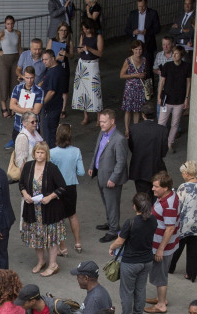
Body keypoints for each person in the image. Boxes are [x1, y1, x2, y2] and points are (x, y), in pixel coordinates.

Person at [19, 141, 67, 278]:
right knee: (36, 237)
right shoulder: (28, 166)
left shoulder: (52, 168)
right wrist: (25, 194)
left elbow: (63, 187)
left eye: (42, 153)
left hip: (49, 210)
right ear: (34, 153)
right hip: (32, 210)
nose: (39, 155)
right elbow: (21, 183)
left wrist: (50, 197)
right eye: (37, 152)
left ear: (46, 154)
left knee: (51, 238)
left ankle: (53, 265)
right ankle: (41, 261)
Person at [109, 192, 157, 314]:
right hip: (147, 260)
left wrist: (111, 247)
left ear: (135, 206)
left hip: (131, 262)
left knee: (127, 291)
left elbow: (119, 241)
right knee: (141, 289)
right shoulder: (153, 220)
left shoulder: (130, 223)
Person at [88, 109, 129, 243]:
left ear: (112, 121)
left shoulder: (119, 139)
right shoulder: (102, 133)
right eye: (100, 121)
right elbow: (97, 151)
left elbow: (121, 162)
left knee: (112, 204)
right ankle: (110, 222)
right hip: (101, 174)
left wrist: (114, 179)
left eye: (104, 122)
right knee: (107, 202)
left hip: (111, 179)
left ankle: (113, 230)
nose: (101, 124)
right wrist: (92, 166)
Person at [145, 172, 180, 314]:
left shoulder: (169, 204)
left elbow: (170, 228)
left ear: (165, 188)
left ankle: (161, 304)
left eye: (156, 186)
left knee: (160, 275)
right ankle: (161, 298)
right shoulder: (166, 197)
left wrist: (160, 249)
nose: (153, 189)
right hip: (162, 244)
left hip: (163, 247)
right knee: (160, 273)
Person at [169, 161, 197, 282]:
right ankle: (191, 274)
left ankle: (170, 267)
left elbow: (178, 203)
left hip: (185, 223)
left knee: (177, 246)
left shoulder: (184, 187)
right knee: (195, 250)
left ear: (186, 173)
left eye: (182, 173)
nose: (182, 175)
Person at [50, 123, 85, 254]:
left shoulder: (52, 153)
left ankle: (63, 248)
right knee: (72, 215)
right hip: (71, 187)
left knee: (59, 219)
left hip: (57, 188)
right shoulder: (76, 151)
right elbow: (81, 172)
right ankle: (77, 243)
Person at [128, 102, 168, 202]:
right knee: (158, 198)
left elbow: (131, 147)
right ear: (155, 115)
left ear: (143, 115)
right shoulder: (162, 130)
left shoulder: (134, 129)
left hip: (139, 168)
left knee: (143, 199)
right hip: (156, 168)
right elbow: (164, 152)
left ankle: (145, 216)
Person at [0, 15, 22, 118]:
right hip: (5, 60)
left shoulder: (17, 33)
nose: (10, 26)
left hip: (15, 59)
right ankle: (3, 107)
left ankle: (13, 106)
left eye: (11, 23)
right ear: (5, 24)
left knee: (15, 83)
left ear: (14, 24)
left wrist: (22, 59)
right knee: (3, 82)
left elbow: (19, 47)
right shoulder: (2, 33)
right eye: (8, 24)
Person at [157, 45, 191, 152]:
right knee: (161, 123)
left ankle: (169, 143)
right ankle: (160, 143)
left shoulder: (186, 66)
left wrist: (186, 98)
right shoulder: (167, 66)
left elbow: (188, 82)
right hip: (167, 99)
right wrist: (159, 96)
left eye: (176, 53)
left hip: (179, 100)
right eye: (173, 53)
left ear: (181, 55)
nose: (174, 55)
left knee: (175, 124)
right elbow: (162, 82)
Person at [72, 18, 104, 125]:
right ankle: (86, 115)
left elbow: (100, 53)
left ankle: (99, 115)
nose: (85, 31)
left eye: (87, 29)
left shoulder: (98, 37)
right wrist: (80, 49)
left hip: (93, 64)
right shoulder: (83, 36)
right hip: (82, 64)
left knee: (94, 90)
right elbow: (79, 48)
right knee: (83, 90)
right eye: (84, 29)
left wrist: (89, 49)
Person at [6, 67, 44, 150]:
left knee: (33, 153)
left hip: (33, 129)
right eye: (27, 78)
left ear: (34, 77)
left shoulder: (39, 91)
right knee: (19, 154)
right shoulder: (17, 88)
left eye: (31, 78)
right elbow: (11, 106)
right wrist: (27, 110)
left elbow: (36, 111)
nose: (29, 80)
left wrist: (19, 108)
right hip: (18, 127)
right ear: (23, 76)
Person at [124, 0, 160, 78]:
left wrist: (147, 32)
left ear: (146, 4)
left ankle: (149, 89)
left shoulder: (152, 13)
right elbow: (126, 29)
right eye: (139, 6)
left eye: (143, 6)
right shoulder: (133, 14)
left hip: (147, 45)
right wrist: (133, 32)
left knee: (148, 68)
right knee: (135, 67)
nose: (141, 8)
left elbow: (157, 29)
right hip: (136, 45)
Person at [40, 49, 68, 148]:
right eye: (43, 59)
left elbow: (51, 92)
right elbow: (45, 82)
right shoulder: (53, 68)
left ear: (52, 58)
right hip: (55, 106)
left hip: (51, 107)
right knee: (50, 131)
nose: (44, 62)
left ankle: (50, 154)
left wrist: (41, 103)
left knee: (49, 133)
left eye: (46, 59)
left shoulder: (54, 72)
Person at [120, 40, 147, 137]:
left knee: (137, 110)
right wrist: (135, 75)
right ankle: (127, 130)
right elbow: (122, 75)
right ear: (132, 49)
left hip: (140, 87)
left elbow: (144, 72)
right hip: (130, 88)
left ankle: (135, 129)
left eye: (140, 49)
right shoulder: (128, 60)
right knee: (128, 110)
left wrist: (143, 75)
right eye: (136, 49)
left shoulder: (144, 59)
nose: (138, 51)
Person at [47, 23, 74, 118]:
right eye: (61, 30)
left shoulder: (69, 42)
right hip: (53, 65)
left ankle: (63, 109)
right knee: (52, 86)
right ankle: (52, 105)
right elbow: (47, 52)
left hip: (64, 66)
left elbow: (71, 56)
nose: (63, 32)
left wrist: (66, 54)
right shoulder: (52, 40)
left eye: (65, 30)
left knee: (64, 88)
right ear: (58, 31)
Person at [13, 111, 43, 175]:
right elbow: (21, 160)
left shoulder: (35, 133)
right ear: (24, 123)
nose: (35, 123)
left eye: (36, 121)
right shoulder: (22, 137)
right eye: (32, 122)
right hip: (30, 171)